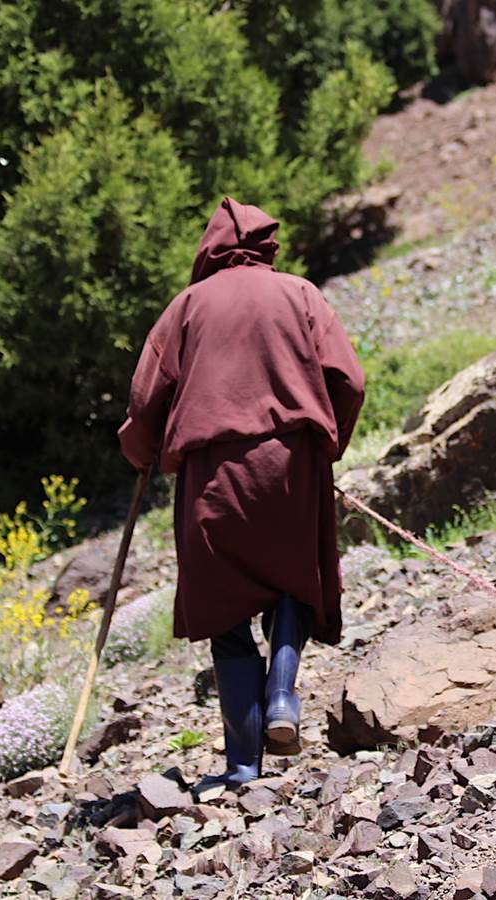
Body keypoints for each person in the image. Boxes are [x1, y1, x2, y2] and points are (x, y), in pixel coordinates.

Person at [118, 197, 364, 793]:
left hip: (212, 474)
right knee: (293, 580)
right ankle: (282, 696)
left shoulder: (186, 308)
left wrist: (142, 451)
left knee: (224, 607)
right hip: (290, 462)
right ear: (267, 244)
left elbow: (147, 400)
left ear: (208, 249)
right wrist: (327, 441)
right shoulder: (301, 294)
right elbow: (348, 380)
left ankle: (243, 765)